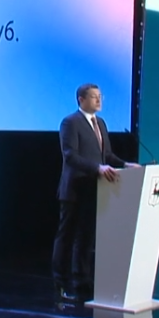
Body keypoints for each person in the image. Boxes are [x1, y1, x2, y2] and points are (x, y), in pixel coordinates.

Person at [54, 83, 138, 302]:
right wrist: (97, 168)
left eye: (100, 96)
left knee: (86, 237)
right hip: (74, 189)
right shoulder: (70, 122)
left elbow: (106, 155)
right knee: (67, 237)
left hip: (94, 189)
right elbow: (70, 156)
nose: (99, 100)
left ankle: (82, 281)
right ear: (81, 100)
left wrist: (125, 164)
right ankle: (61, 284)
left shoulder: (100, 123)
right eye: (94, 97)